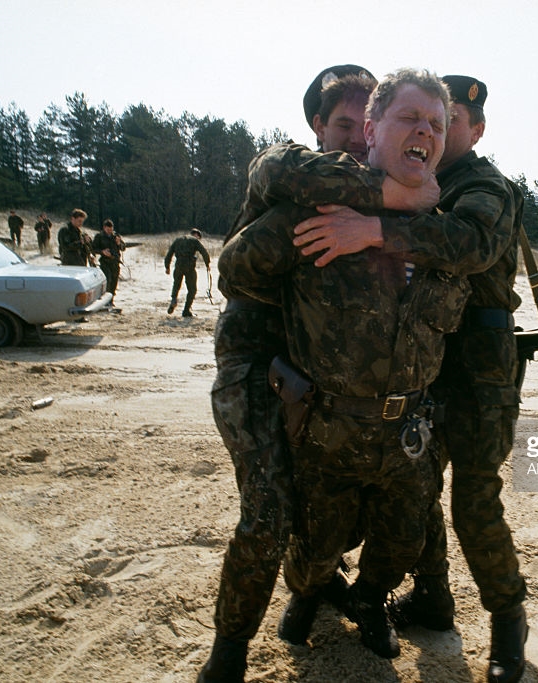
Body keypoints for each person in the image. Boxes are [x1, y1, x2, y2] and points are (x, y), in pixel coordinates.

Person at [290, 75, 528, 683]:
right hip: (420, 361)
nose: (431, 130)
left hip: (478, 367)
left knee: (474, 502)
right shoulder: (411, 182)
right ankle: (432, 596)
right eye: (420, 118)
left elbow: (470, 243)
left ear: (474, 130)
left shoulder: (484, 186)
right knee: (416, 491)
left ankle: (508, 626)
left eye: (448, 121)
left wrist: (377, 229)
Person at [217, 68, 458, 663]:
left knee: (402, 536)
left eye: (436, 123)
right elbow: (239, 270)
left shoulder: (443, 236)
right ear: (370, 131)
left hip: (403, 431)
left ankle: (369, 598)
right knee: (301, 535)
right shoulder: (318, 210)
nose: (424, 131)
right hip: (320, 419)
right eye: (409, 118)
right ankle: (277, 616)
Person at [198, 64, 404, 682]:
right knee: (268, 511)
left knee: (334, 503)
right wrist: (397, 192)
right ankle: (228, 655)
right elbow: (236, 268)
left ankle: (316, 591)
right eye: (343, 125)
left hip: (316, 377)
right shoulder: (291, 175)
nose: (356, 139)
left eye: (366, 127)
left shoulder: (364, 208)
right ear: (317, 125)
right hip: (256, 363)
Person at [164, 228, 210, 317]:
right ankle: (186, 310)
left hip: (178, 265)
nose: (199, 239)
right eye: (199, 237)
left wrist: (167, 267)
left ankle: (174, 299)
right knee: (192, 290)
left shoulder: (178, 240)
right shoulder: (195, 241)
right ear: (196, 235)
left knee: (176, 284)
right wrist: (207, 264)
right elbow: (204, 252)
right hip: (189, 266)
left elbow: (169, 254)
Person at [91, 219, 125, 306]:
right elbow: (93, 248)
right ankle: (105, 301)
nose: (110, 231)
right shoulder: (99, 236)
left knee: (114, 282)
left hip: (115, 262)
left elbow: (123, 248)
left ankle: (111, 300)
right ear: (104, 228)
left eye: (111, 229)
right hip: (105, 262)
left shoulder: (116, 236)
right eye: (108, 229)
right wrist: (102, 252)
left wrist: (119, 243)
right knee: (107, 281)